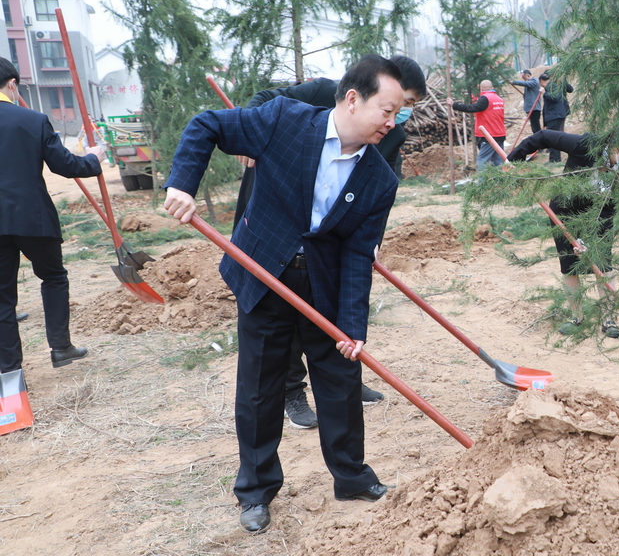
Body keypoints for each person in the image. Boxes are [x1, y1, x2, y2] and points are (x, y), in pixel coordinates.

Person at [164, 55, 403, 534]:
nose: (392, 123)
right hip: (264, 272)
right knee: (260, 387)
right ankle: (255, 490)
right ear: (353, 99)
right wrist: (183, 185)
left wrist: (353, 330)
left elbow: (359, 253)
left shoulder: (379, 177)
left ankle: (351, 477)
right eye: (387, 110)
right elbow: (206, 124)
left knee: (339, 380)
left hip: (325, 285)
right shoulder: (285, 120)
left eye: (397, 113)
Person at [232, 56, 427, 430]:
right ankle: (291, 390)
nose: (401, 113)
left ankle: (344, 379)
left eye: (410, 106)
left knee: (333, 305)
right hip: (277, 216)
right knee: (280, 304)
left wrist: (371, 241)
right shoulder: (325, 93)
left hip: (330, 231)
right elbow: (265, 99)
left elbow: (382, 188)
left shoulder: (392, 133)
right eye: (401, 102)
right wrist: (250, 139)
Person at [0, 57, 105, 375]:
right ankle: (61, 347)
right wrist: (93, 158)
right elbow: (65, 165)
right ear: (12, 84)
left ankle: (9, 373)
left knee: (2, 299)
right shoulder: (32, 120)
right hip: (34, 219)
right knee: (54, 277)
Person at [507, 124, 619, 338]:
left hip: (599, 214)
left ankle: (608, 319)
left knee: (603, 264)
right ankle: (577, 318)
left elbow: (611, 204)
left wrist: (589, 237)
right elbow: (544, 136)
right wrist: (514, 160)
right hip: (564, 213)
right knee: (570, 266)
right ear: (616, 147)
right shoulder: (586, 145)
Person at [447, 80, 506, 170]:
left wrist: (454, 104)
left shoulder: (485, 99)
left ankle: (482, 183)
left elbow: (472, 108)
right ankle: (499, 183)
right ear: (492, 88)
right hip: (500, 134)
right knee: (498, 162)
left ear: (481, 88)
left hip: (489, 136)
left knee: (482, 161)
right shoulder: (499, 99)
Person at [538, 72, 574, 163]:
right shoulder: (550, 86)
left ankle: (555, 158)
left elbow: (556, 97)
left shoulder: (553, 85)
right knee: (555, 136)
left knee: (555, 137)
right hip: (555, 114)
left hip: (557, 114)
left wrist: (544, 93)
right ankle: (555, 157)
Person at [511, 69, 543, 134]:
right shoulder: (529, 82)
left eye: (524, 77)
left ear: (528, 75)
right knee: (534, 128)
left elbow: (526, 83)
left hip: (534, 108)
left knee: (536, 128)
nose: (524, 79)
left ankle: (540, 141)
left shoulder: (534, 81)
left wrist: (514, 82)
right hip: (531, 109)